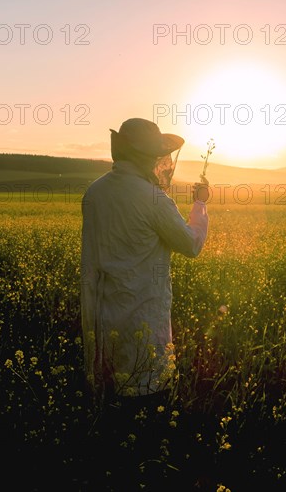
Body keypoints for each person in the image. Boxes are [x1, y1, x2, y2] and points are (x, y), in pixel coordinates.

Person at [80, 118, 209, 404]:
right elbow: (190, 245)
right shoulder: (154, 199)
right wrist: (200, 204)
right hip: (142, 319)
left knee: (108, 400)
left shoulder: (95, 191)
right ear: (147, 157)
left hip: (101, 319)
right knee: (146, 396)